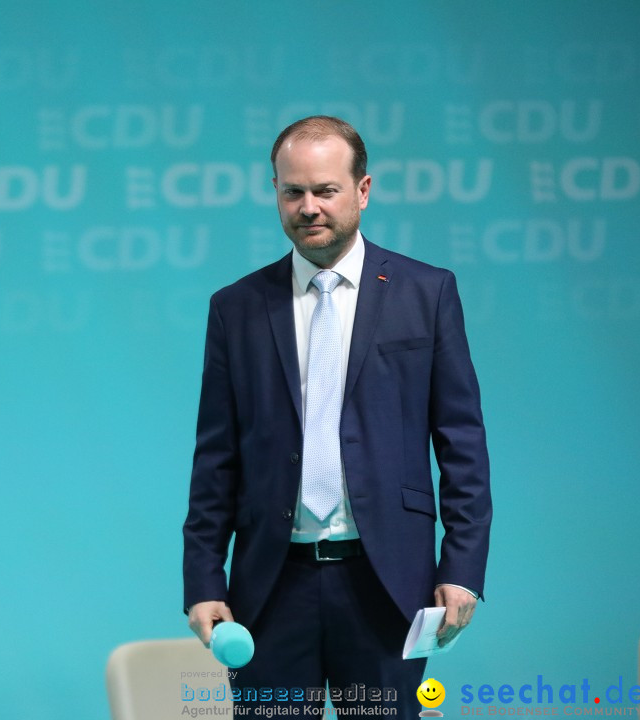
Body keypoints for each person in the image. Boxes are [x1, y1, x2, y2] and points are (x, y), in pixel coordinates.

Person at [182, 116, 491, 715]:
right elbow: (215, 458)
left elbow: (462, 443)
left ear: (363, 190)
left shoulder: (426, 293)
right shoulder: (236, 308)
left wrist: (463, 566)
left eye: (325, 190)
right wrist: (202, 581)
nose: (308, 207)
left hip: (386, 587)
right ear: (275, 191)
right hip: (271, 590)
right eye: (292, 191)